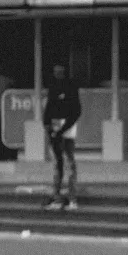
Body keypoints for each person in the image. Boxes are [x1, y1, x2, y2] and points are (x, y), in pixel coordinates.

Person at [41, 63, 81, 211]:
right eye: (56, 71)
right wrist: (48, 126)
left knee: (66, 162)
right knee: (59, 162)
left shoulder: (69, 87)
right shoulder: (54, 87)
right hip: (57, 125)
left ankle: (69, 198)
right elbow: (49, 107)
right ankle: (60, 197)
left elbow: (75, 111)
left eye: (60, 72)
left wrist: (59, 129)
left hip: (64, 125)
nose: (58, 74)